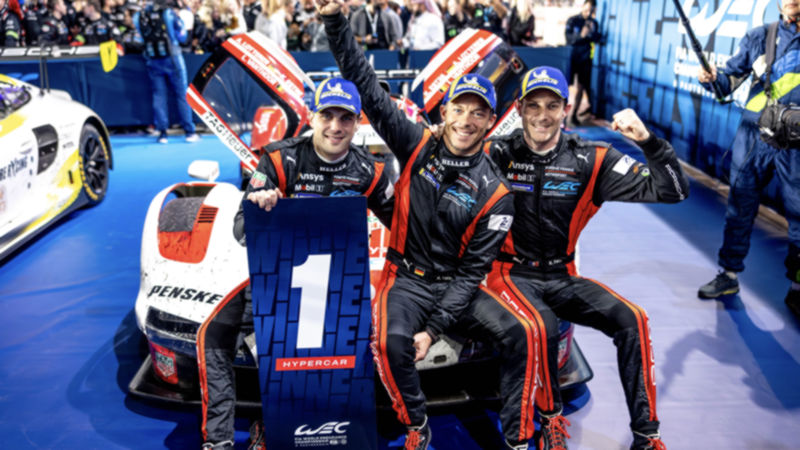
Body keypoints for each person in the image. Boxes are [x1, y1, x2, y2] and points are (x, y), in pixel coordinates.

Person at [318, 3, 541, 450]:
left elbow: (472, 273)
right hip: (404, 280)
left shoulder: (497, 194)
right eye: (460, 108)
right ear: (446, 112)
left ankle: (519, 437)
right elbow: (366, 86)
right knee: (390, 344)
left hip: (455, 286)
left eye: (478, 113)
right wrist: (336, 23)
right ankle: (417, 425)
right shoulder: (415, 144)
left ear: (490, 121)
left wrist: (435, 328)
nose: (466, 120)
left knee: (522, 334)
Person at [484, 66, 687, 450]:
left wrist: (648, 142)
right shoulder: (495, 152)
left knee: (634, 319)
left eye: (552, 105)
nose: (542, 115)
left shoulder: (591, 158)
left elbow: (673, 191)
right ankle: (550, 420)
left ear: (566, 108)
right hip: (508, 274)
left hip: (563, 275)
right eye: (533, 105)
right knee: (541, 325)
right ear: (520, 108)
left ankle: (647, 435)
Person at [199, 77, 396, 450]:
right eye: (327, 115)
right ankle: (219, 440)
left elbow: (401, 229)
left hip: (345, 288)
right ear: (311, 116)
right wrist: (260, 208)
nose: (335, 126)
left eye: (346, 118)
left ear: (357, 123)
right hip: (278, 283)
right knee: (212, 333)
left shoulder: (371, 171)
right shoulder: (278, 159)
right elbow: (241, 230)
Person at [696, 0, 800, 320]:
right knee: (739, 207)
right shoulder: (759, 36)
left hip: (796, 146)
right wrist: (712, 79)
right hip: (753, 137)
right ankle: (728, 275)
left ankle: (798, 287)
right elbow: (728, 82)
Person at [133, 0, 199, 144]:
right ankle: (189, 132)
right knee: (182, 94)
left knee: (159, 95)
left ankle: (162, 133)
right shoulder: (168, 13)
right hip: (173, 58)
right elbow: (182, 37)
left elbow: (138, 39)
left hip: (152, 59)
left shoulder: (138, 16)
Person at [565, 0, 600, 126]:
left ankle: (573, 115)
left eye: (591, 10)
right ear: (583, 6)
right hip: (571, 58)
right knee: (566, 87)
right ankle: (563, 116)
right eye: (587, 9)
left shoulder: (594, 23)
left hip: (585, 60)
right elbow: (568, 39)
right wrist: (581, 35)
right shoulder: (572, 20)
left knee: (581, 87)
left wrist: (593, 33)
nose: (588, 12)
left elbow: (596, 38)